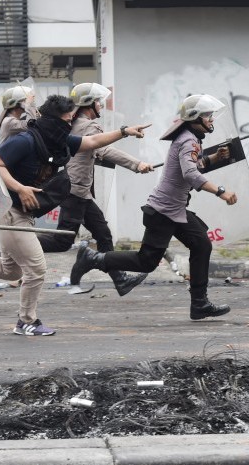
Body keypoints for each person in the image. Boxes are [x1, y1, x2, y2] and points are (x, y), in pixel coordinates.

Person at [0, 94, 150, 336]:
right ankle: (26, 321)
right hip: (10, 212)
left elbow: (93, 140)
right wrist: (20, 188)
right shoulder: (25, 140)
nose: (69, 123)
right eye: (66, 119)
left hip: (22, 213)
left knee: (11, 271)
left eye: (71, 119)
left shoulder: (58, 141)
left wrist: (124, 131)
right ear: (53, 120)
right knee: (36, 270)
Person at [70, 94, 238, 320]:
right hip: (164, 211)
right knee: (146, 261)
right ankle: (93, 259)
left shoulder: (191, 138)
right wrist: (221, 191)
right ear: (195, 118)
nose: (211, 120)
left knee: (201, 245)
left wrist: (215, 157)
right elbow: (190, 173)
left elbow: (192, 166)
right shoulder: (188, 140)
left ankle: (199, 303)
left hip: (175, 210)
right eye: (208, 116)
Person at [38, 82, 154, 296]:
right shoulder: (89, 126)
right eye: (99, 101)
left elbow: (97, 152)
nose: (101, 105)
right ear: (89, 104)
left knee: (103, 234)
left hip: (79, 192)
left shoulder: (74, 123)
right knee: (62, 240)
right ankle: (17, 245)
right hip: (75, 191)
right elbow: (105, 150)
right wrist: (137, 164)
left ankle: (120, 280)